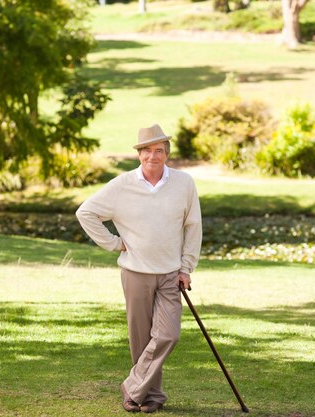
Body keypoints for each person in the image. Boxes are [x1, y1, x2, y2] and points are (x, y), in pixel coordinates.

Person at [76, 123, 203, 413]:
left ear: (166, 155)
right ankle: (149, 397)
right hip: (135, 273)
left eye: (159, 150)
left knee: (168, 335)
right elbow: (86, 212)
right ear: (139, 155)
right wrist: (113, 243)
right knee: (141, 340)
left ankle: (132, 387)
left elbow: (193, 226)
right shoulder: (122, 185)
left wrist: (186, 268)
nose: (152, 156)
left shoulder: (184, 183)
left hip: (171, 273)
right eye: (147, 150)